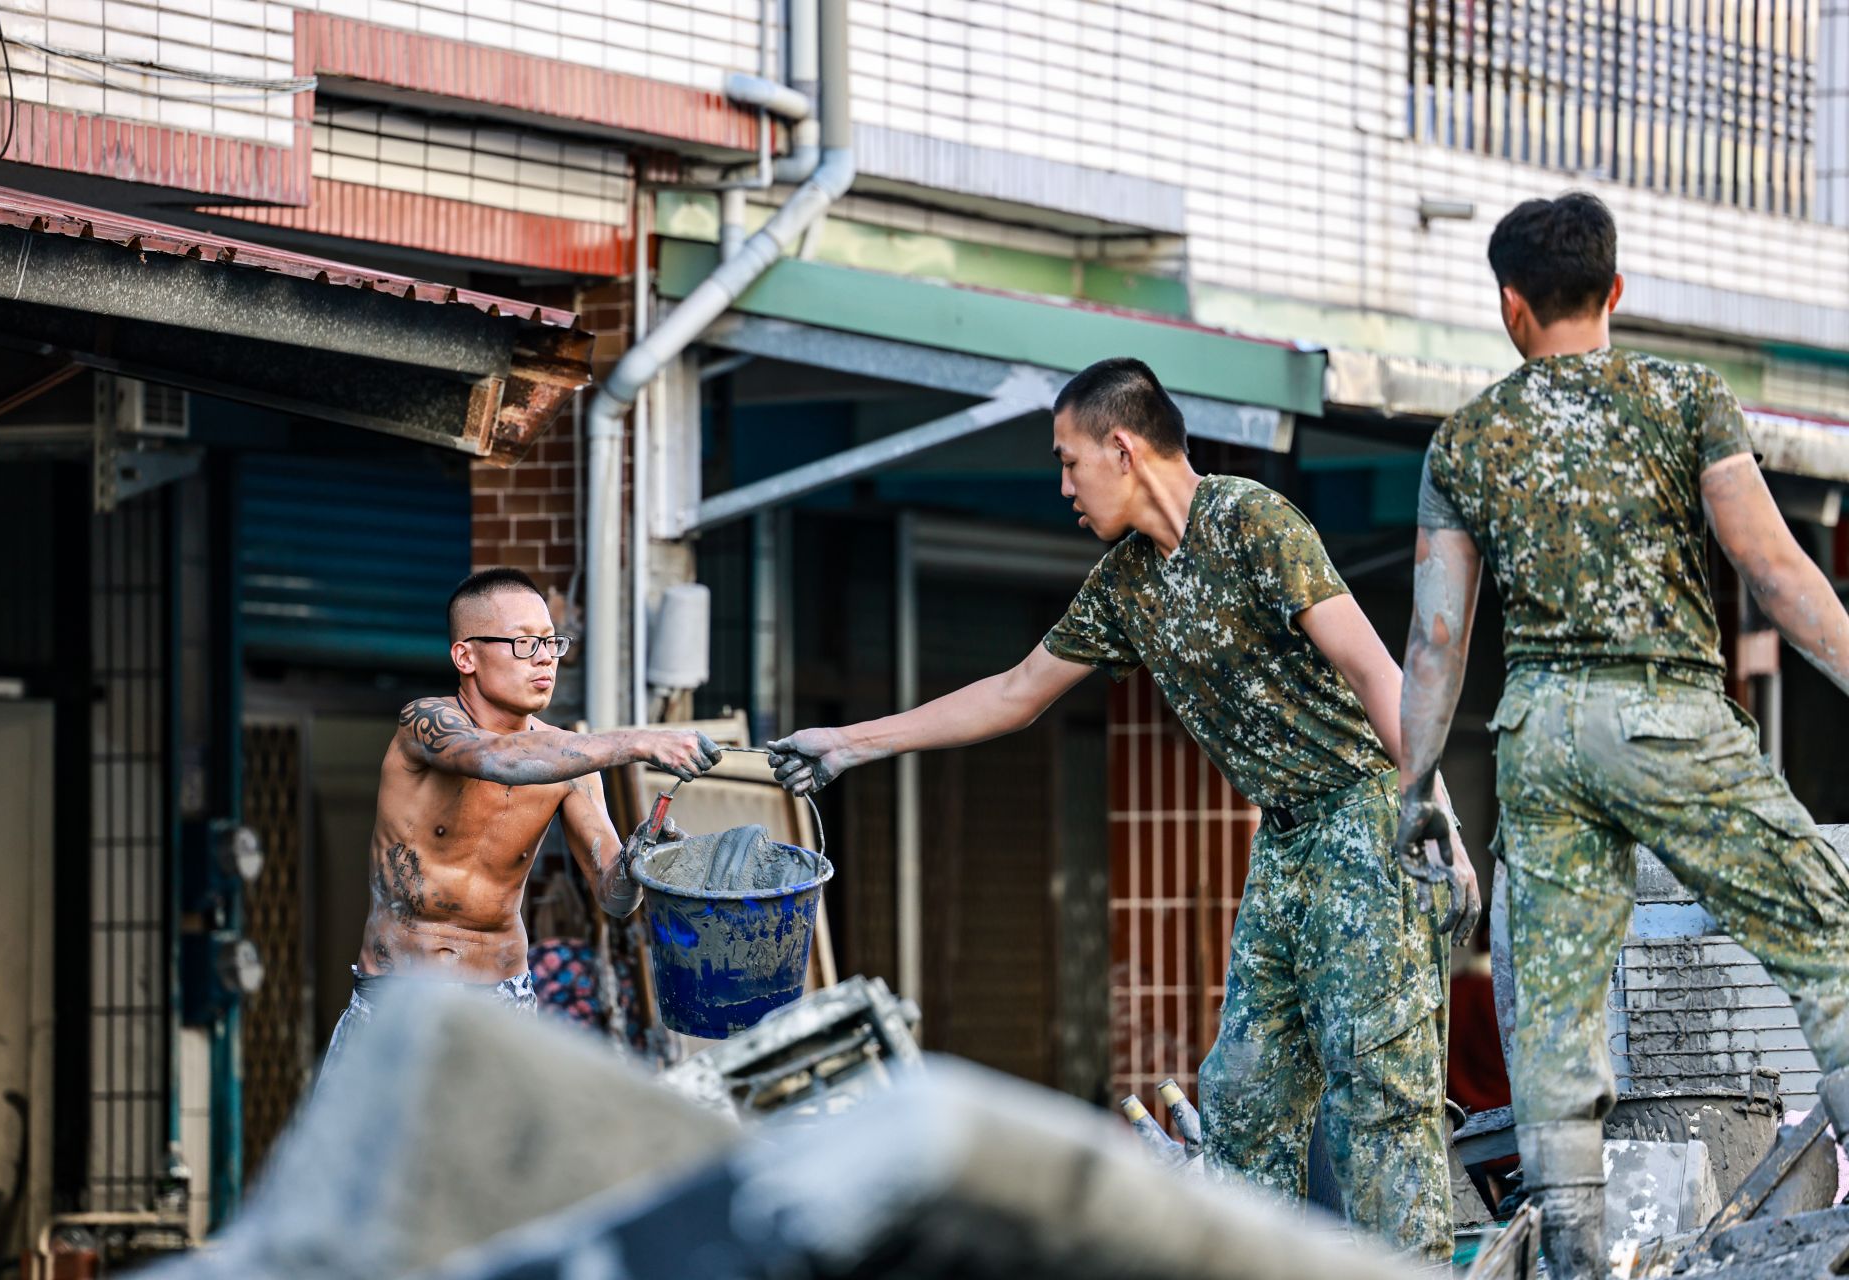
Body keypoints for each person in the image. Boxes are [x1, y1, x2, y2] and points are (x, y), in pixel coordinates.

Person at [767, 358, 1476, 1260]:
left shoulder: (1252, 520)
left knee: (1379, 1097)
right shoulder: (1126, 583)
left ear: (1122, 447)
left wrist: (1436, 816)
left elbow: (1374, 670)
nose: (1063, 487)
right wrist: (850, 742)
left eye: (1069, 462)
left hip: (1368, 819)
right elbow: (1016, 692)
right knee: (1244, 1097)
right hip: (1284, 844)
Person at [1392, 191, 1849, 1278]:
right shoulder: (1686, 398)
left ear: (1511, 304)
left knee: (1553, 1012)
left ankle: (1575, 1257)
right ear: (1617, 290)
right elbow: (1775, 572)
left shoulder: (1466, 439)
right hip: (1668, 715)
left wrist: (1418, 787)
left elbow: (1436, 641)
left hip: (1541, 735)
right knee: (1822, 932)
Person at [322, 567, 721, 1062]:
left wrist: (642, 856)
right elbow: (498, 759)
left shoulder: (572, 763)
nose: (545, 658)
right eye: (524, 643)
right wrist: (639, 742)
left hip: (503, 1003)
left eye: (551, 643)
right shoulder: (424, 723)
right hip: (399, 1001)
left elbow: (616, 898)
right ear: (465, 656)